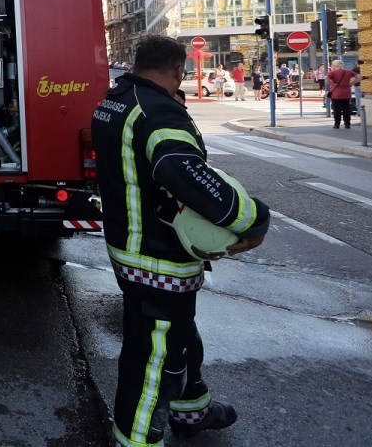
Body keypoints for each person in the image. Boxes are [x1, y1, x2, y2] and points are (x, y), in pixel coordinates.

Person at [91, 35, 270, 446]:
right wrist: (254, 219)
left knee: (180, 336)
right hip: (156, 257)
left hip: (132, 246)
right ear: (177, 69)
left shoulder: (117, 99)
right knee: (154, 358)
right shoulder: (158, 112)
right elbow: (181, 171)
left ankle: (192, 410)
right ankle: (135, 439)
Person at [326, 59, 359, 129]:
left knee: (337, 110)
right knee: (346, 109)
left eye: (332, 65)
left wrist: (332, 83)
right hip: (346, 93)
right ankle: (347, 124)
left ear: (335, 65)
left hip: (336, 93)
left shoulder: (333, 72)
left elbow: (326, 78)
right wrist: (352, 83)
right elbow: (359, 76)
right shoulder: (348, 72)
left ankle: (337, 124)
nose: (332, 66)